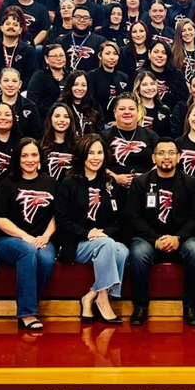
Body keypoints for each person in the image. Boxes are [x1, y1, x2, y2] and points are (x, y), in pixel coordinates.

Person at [126, 137, 195, 326]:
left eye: (171, 153)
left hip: (181, 236)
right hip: (148, 237)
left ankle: (190, 306)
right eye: (161, 153)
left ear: (179, 157)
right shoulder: (140, 182)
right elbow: (133, 216)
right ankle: (140, 306)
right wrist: (155, 239)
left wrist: (178, 237)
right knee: (138, 254)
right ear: (154, 158)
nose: (166, 157)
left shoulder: (190, 182)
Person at [55, 134, 127, 324]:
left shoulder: (109, 183)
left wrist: (102, 234)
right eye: (91, 153)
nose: (96, 157)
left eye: (100, 152)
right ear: (82, 155)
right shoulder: (69, 182)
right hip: (75, 243)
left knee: (122, 250)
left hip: (103, 240)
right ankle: (103, 300)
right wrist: (87, 233)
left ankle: (90, 296)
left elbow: (120, 219)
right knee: (107, 245)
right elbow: (62, 220)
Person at [0, 139, 59, 331]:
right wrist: (25, 237)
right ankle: (27, 313)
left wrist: (46, 236)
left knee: (46, 259)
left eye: (34, 155)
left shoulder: (51, 183)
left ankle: (29, 304)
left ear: (40, 158)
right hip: (9, 240)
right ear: (17, 159)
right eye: (25, 155)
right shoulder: (7, 183)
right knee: (28, 251)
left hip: (42, 238)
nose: (30, 159)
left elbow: (58, 215)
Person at [102, 93, 160, 190]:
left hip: (144, 188)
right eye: (122, 109)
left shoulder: (150, 136)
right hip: (112, 187)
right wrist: (114, 177)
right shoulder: (104, 137)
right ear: (114, 112)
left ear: (138, 111)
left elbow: (165, 158)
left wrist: (147, 177)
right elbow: (93, 162)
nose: (127, 112)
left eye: (131, 109)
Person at [0, 67, 43, 139]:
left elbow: (37, 135)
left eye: (14, 81)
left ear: (20, 84)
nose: (10, 85)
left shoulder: (30, 106)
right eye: (6, 80)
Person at [86, 41, 129, 118]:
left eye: (115, 54)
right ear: (100, 55)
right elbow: (91, 102)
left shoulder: (124, 78)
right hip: (98, 120)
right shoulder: (92, 76)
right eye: (107, 53)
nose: (112, 57)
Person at [56, 5, 105, 72]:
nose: (82, 20)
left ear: (91, 21)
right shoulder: (59, 41)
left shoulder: (101, 42)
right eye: (78, 17)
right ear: (71, 19)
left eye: (85, 18)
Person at [27, 43, 70, 119]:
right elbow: (34, 101)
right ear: (46, 59)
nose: (59, 59)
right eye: (54, 56)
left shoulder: (70, 76)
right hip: (45, 118)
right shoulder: (39, 76)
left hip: (69, 117)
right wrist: (53, 114)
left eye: (61, 55)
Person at [142, 39, 188, 109]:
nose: (160, 55)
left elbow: (184, 100)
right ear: (149, 54)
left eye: (164, 53)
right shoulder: (141, 74)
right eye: (156, 52)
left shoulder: (177, 74)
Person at [40, 102, 78, 181]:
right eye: (57, 116)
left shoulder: (78, 146)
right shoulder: (40, 145)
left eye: (66, 117)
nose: (62, 120)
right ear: (50, 119)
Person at [59, 70, 103, 135]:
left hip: (90, 143)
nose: (80, 88)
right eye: (75, 85)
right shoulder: (61, 106)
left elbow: (100, 131)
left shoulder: (94, 106)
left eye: (83, 85)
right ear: (69, 86)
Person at [131, 70, 172, 136]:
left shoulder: (164, 110)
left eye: (152, 84)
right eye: (144, 85)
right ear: (138, 88)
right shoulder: (132, 109)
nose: (149, 88)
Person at [172, 17, 195, 83]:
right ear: (179, 33)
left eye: (190, 29)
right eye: (183, 31)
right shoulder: (173, 52)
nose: (187, 33)